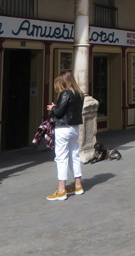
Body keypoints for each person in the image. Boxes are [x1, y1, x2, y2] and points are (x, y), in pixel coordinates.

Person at [46, 71, 84, 201]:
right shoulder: (79, 93)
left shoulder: (66, 93)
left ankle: (62, 190)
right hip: (74, 127)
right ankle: (78, 185)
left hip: (63, 127)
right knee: (74, 155)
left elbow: (59, 112)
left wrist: (52, 107)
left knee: (61, 157)